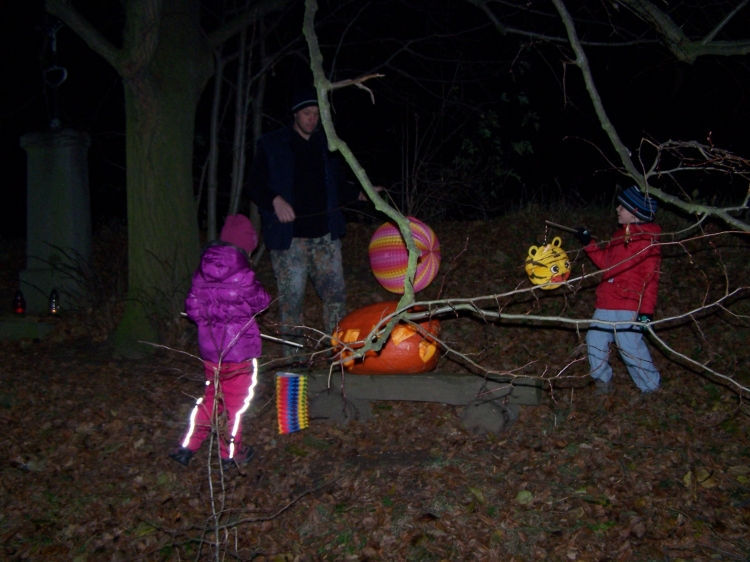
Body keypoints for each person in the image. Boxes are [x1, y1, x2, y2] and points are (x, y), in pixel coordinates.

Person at [245, 87, 373, 354]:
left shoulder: (327, 145)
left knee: (335, 297)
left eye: (316, 114)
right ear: (295, 114)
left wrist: (361, 194)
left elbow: (338, 185)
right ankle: (294, 361)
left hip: (325, 237)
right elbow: (254, 185)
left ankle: (339, 354)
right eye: (306, 113)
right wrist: (275, 200)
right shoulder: (272, 144)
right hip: (289, 241)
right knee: (291, 303)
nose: (312, 119)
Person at [169, 214, 271, 469]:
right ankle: (231, 454)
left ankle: (187, 447)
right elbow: (262, 302)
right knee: (235, 405)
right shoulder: (243, 274)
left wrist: (212, 319)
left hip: (211, 350)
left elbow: (192, 310)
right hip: (239, 352)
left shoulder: (202, 271)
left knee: (212, 398)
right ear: (246, 246)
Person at [574, 186, 662, 395]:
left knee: (629, 347)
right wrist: (588, 243)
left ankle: (651, 386)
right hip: (606, 301)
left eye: (622, 207)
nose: (617, 209)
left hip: (628, 304)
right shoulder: (618, 236)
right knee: (594, 341)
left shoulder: (647, 242)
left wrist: (646, 312)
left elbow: (651, 279)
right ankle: (602, 381)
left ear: (635, 213)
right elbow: (606, 264)